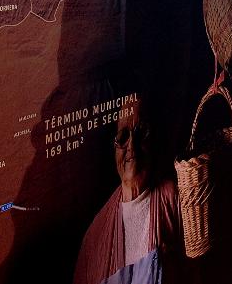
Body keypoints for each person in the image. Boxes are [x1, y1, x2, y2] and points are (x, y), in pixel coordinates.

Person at [73, 98, 182, 284]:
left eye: (141, 133)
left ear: (153, 140)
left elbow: (199, 270)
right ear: (114, 149)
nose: (132, 147)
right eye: (123, 137)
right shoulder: (94, 234)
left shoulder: (173, 198)